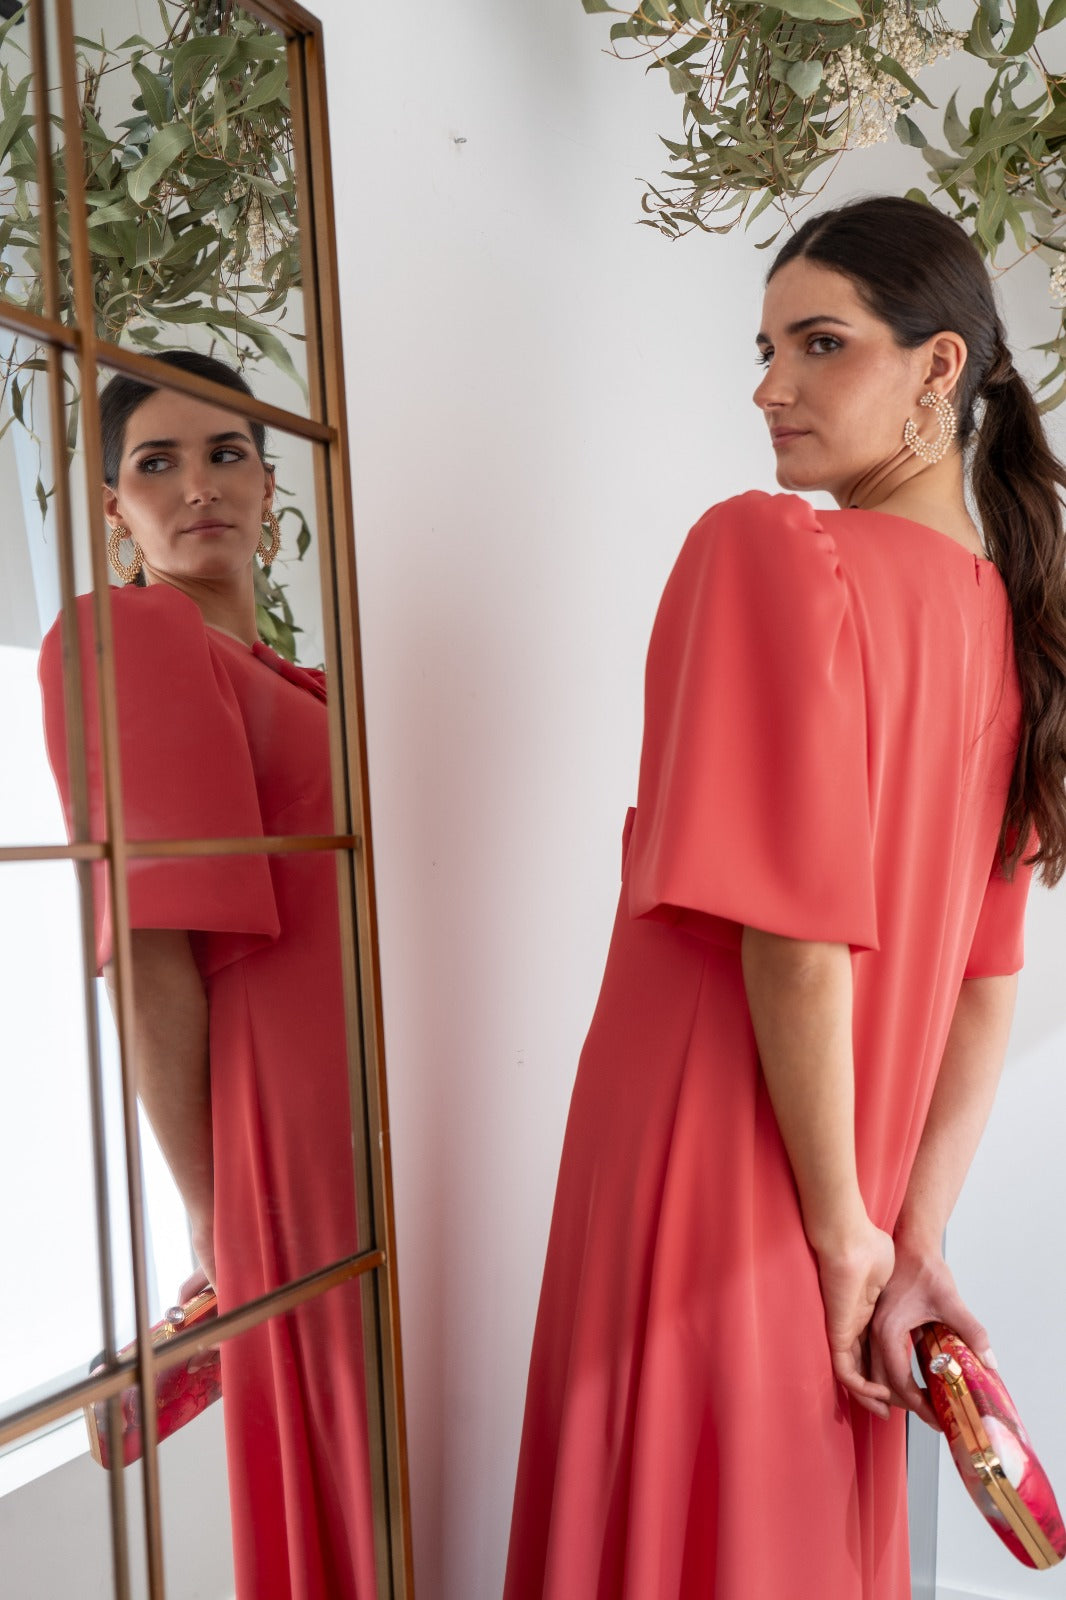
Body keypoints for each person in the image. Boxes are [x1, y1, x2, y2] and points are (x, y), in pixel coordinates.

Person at [503, 195, 1066, 1598]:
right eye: (764, 350)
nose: (769, 388)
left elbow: (797, 940)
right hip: (854, 1185)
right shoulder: (1012, 636)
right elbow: (981, 986)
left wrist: (841, 1233)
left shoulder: (768, 552)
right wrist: (905, 1236)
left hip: (706, 1152)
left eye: (819, 344)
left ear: (938, 367)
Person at [38, 351, 378, 1600]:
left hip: (378, 1099)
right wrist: (214, 1207)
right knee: (354, 1457)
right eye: (157, 463)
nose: (198, 486)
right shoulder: (127, 635)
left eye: (227, 453)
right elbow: (148, 949)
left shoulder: (314, 684)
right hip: (291, 1120)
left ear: (270, 484)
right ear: (113, 505)